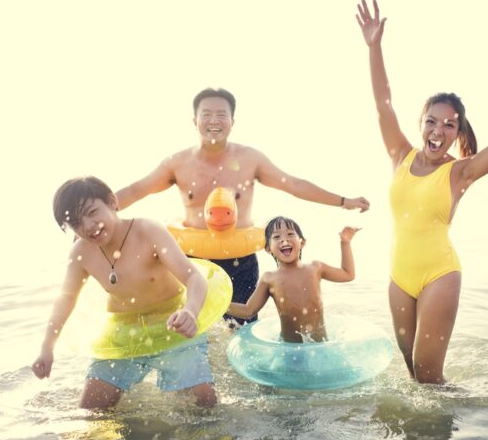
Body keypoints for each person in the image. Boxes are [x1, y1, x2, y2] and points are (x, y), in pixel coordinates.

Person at [356, 0, 488, 384]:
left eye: (449, 125)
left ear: (458, 132)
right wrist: (374, 47)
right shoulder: (400, 156)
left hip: (439, 273)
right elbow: (382, 104)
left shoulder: (459, 173)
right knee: (411, 378)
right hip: (398, 276)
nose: (438, 131)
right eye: (432, 122)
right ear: (421, 124)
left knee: (429, 377)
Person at [115, 88, 370, 327]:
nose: (214, 120)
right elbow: (137, 189)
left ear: (232, 122)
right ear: (195, 121)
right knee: (195, 331)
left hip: (241, 262)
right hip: (194, 261)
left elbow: (293, 184)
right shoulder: (177, 163)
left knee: (242, 331)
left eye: (221, 114)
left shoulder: (250, 159)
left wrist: (343, 201)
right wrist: (95, 216)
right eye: (206, 114)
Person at [31, 176, 217, 409]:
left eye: (92, 212)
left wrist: (190, 311)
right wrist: (47, 348)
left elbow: (193, 276)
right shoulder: (81, 253)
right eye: (77, 223)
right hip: (124, 332)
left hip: (173, 323)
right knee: (91, 410)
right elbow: (66, 299)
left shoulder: (148, 231)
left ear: (111, 202)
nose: (88, 226)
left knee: (203, 404)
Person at [227, 217, 360, 343]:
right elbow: (248, 310)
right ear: (268, 248)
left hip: (320, 344)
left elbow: (348, 274)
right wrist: (220, 304)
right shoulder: (269, 278)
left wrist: (345, 242)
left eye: (290, 234)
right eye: (277, 237)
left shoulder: (315, 268)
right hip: (289, 348)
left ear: (302, 242)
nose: (284, 241)